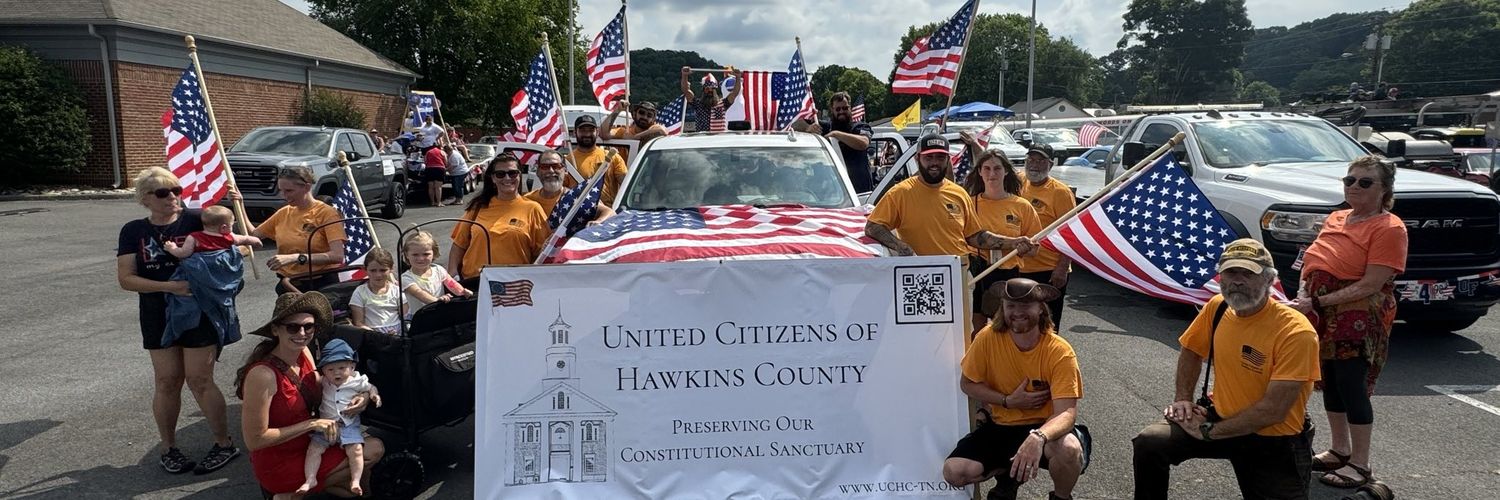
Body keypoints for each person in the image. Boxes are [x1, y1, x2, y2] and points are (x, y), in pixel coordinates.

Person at [1131, 238, 1320, 500]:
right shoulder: (1218, 307)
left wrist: (1208, 432)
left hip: (1272, 439)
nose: (1237, 281)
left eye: (1248, 274)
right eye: (1231, 272)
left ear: (1269, 280)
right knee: (1151, 441)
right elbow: (1191, 350)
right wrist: (1183, 398)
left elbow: (1273, 411)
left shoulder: (1295, 332)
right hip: (1218, 417)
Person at [1289, 156, 1407, 489]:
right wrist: (1304, 294)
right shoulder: (1336, 217)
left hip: (1358, 314)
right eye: (1349, 180)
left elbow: (1372, 284)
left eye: (1365, 182)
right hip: (1320, 310)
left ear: (1384, 190)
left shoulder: (1390, 228)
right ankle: (1340, 449)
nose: (1354, 186)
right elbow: (1312, 259)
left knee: (1351, 383)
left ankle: (1361, 463)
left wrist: (1318, 302)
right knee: (1330, 380)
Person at [116, 167, 241, 475]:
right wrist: (170, 287)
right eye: (163, 192)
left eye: (176, 190)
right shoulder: (133, 230)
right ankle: (169, 447)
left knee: (200, 379)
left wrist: (237, 206)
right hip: (157, 312)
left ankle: (224, 443)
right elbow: (127, 279)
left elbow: (236, 242)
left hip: (199, 311)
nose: (172, 196)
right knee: (167, 381)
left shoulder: (197, 219)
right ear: (145, 199)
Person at [943, 278, 1087, 500]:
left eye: (1026, 305)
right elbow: (967, 384)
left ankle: (1061, 496)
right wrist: (1007, 400)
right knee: (954, 472)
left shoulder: (1059, 350)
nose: (1017, 312)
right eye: (1011, 305)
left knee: (1069, 449)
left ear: (1041, 309)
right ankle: (1008, 475)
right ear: (1002, 308)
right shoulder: (987, 338)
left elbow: (1066, 413)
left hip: (1044, 426)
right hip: (1001, 424)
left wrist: (1038, 437)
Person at [237, 292, 383, 498]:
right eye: (292, 327)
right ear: (275, 330)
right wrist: (312, 424)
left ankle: (316, 486)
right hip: (281, 460)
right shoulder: (262, 375)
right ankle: (289, 494)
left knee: (358, 487)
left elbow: (324, 388)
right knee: (373, 449)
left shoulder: (304, 352)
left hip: (311, 442)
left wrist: (363, 395)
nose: (302, 333)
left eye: (309, 326)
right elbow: (254, 440)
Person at [865, 133, 1035, 260]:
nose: (934, 162)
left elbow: (975, 237)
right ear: (917, 159)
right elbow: (873, 227)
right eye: (928, 157)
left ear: (948, 159)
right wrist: (901, 247)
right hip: (921, 273)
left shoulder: (959, 193)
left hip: (960, 272)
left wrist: (1013, 242)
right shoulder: (900, 193)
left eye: (940, 157)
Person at [960, 146, 1042, 335]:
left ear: (1006, 171)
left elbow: (1034, 250)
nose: (992, 174)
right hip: (977, 271)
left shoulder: (1022, 206)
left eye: (997, 168)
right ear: (979, 172)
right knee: (975, 330)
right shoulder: (968, 203)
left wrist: (1024, 247)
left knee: (1007, 328)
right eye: (987, 168)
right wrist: (1011, 242)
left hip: (1008, 274)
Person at [161, 205, 262, 350]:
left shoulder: (194, 237)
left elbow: (183, 254)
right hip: (221, 275)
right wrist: (256, 242)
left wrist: (172, 248)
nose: (232, 228)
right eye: (231, 225)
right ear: (224, 227)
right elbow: (246, 239)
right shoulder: (229, 237)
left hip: (201, 274)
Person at [297, 339, 381, 496]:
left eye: (342, 368)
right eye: (330, 369)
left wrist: (374, 395)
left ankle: (355, 480)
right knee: (314, 450)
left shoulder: (356, 380)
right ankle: (310, 479)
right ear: (324, 371)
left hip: (348, 424)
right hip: (326, 425)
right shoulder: (324, 382)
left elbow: (371, 387)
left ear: (352, 367)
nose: (336, 373)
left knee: (355, 450)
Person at [448, 154, 552, 279]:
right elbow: (459, 244)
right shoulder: (478, 207)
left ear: (519, 175)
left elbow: (542, 253)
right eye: (500, 174)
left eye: (512, 173)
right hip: (474, 282)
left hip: (514, 283)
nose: (507, 178)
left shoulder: (532, 209)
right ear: (493, 178)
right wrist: (452, 273)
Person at [245, 167, 346, 294]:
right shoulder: (284, 212)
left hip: (320, 284)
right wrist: (239, 203)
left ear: (307, 187)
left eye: (289, 191)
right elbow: (254, 235)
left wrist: (296, 258)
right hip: (289, 284)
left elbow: (337, 256)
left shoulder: (327, 213)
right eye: (281, 190)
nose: (284, 195)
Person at [1018, 144, 1074, 327]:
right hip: (1020, 268)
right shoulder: (1020, 181)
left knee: (1047, 324)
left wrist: (1062, 268)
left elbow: (1070, 232)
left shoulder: (1060, 192)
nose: (1034, 165)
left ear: (1050, 165)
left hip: (1048, 270)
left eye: (1041, 161)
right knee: (1022, 322)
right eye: (1031, 160)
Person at [792, 92, 875, 193]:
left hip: (859, 189)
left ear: (850, 108)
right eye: (838, 109)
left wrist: (836, 134)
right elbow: (794, 123)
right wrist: (808, 127)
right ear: (832, 109)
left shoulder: (859, 127)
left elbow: (863, 143)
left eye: (845, 108)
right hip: (833, 191)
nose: (841, 111)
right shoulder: (825, 127)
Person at [523, 151, 617, 219]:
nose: (551, 171)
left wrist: (598, 222)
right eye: (545, 167)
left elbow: (610, 213)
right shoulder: (527, 200)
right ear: (538, 172)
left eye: (556, 166)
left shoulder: (577, 198)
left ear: (565, 171)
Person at [400, 230, 472, 319]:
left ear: (433, 253)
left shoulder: (438, 269)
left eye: (426, 254)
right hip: (419, 318)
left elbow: (451, 283)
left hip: (438, 312)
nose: (421, 258)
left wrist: (462, 292)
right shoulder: (406, 278)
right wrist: (437, 301)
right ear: (407, 255)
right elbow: (419, 293)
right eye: (415, 255)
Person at [566, 115, 630, 206]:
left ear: (597, 132)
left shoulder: (612, 157)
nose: (587, 134)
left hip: (608, 210)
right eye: (583, 130)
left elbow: (626, 185)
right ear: (575, 133)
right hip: (578, 211)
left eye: (591, 130)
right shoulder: (567, 161)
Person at [349, 248, 401, 335]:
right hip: (372, 334)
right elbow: (358, 323)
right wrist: (378, 336)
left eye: (383, 270)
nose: (378, 275)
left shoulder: (396, 290)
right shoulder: (360, 292)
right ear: (365, 269)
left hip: (399, 333)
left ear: (391, 269)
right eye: (373, 270)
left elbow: (405, 317)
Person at [681, 66, 743, 132]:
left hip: (718, 137)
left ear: (715, 90)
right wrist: (684, 75)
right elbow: (686, 91)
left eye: (712, 89)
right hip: (701, 137)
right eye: (707, 89)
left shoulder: (723, 104)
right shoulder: (697, 104)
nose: (710, 91)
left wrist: (738, 77)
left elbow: (735, 93)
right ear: (703, 90)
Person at [601, 99, 667, 143]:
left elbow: (661, 131)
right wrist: (618, 110)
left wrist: (633, 138)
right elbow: (603, 134)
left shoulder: (655, 128)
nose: (645, 117)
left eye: (649, 115)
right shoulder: (625, 131)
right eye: (641, 113)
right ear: (634, 114)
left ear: (653, 119)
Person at [423, 141, 449, 207]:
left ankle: (432, 202)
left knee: (431, 187)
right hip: (439, 169)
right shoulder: (442, 152)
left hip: (429, 169)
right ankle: (439, 202)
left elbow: (425, 161)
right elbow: (446, 162)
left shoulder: (428, 152)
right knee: (438, 187)